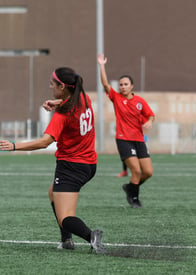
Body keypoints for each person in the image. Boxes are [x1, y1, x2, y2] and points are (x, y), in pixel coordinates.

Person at [0, 67, 105, 254]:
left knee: (64, 218)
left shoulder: (62, 115)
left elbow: (44, 142)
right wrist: (57, 102)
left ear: (63, 86)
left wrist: (14, 146)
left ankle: (91, 237)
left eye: (52, 83)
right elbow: (69, 102)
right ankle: (66, 241)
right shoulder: (83, 98)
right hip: (89, 164)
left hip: (71, 167)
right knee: (52, 194)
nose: (50, 86)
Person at [97, 54, 155, 208]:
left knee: (148, 172)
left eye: (125, 84)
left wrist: (149, 121)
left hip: (139, 140)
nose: (122, 86)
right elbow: (105, 84)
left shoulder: (140, 102)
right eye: (121, 84)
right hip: (123, 139)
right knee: (136, 170)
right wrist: (102, 65)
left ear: (131, 86)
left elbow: (150, 115)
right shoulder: (116, 98)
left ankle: (130, 187)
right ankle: (134, 199)